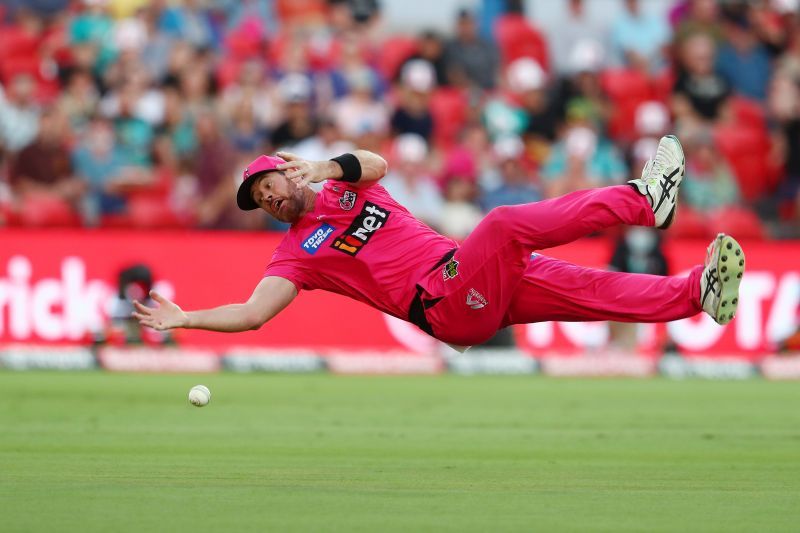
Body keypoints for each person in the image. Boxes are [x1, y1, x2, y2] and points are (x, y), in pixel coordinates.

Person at [132, 136, 746, 350]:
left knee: (586, 288)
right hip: (441, 302)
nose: (265, 200)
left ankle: (697, 292)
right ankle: (643, 200)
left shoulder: (345, 186)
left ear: (285, 171)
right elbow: (254, 313)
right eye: (257, 200)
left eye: (265, 185)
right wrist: (186, 319)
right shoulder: (297, 251)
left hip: (467, 280)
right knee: (504, 223)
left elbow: (375, 163)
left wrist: (321, 167)